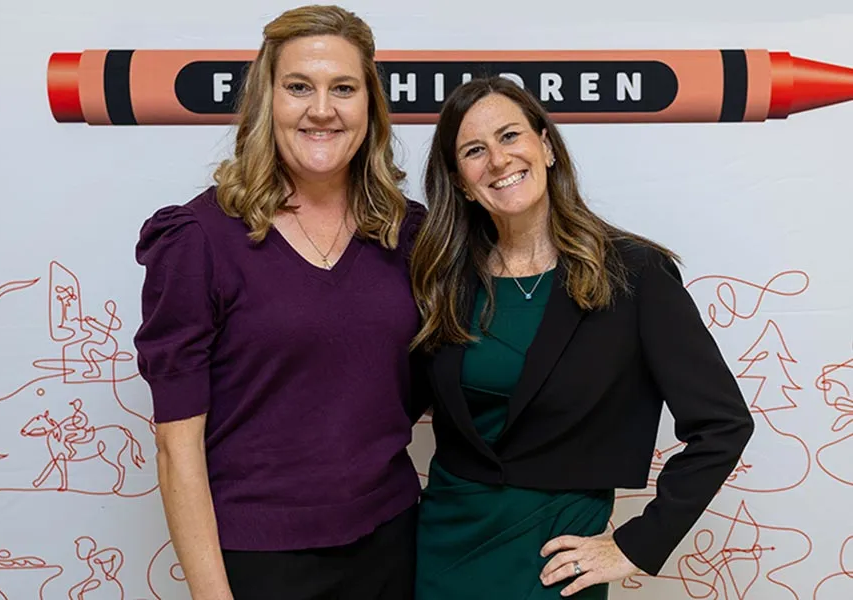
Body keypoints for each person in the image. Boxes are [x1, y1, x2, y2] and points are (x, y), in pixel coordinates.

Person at [408, 76, 755, 599]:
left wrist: (637, 545)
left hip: (556, 555)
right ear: (459, 181)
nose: (498, 160)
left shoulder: (634, 274)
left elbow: (723, 425)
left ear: (545, 146)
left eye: (510, 136)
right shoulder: (441, 278)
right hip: (445, 544)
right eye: (474, 150)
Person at [133, 5, 426, 599]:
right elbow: (176, 444)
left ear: (369, 105)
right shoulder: (199, 240)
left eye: (343, 88)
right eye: (299, 87)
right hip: (261, 559)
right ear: (267, 101)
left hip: (395, 542)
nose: (322, 109)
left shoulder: (409, 234)